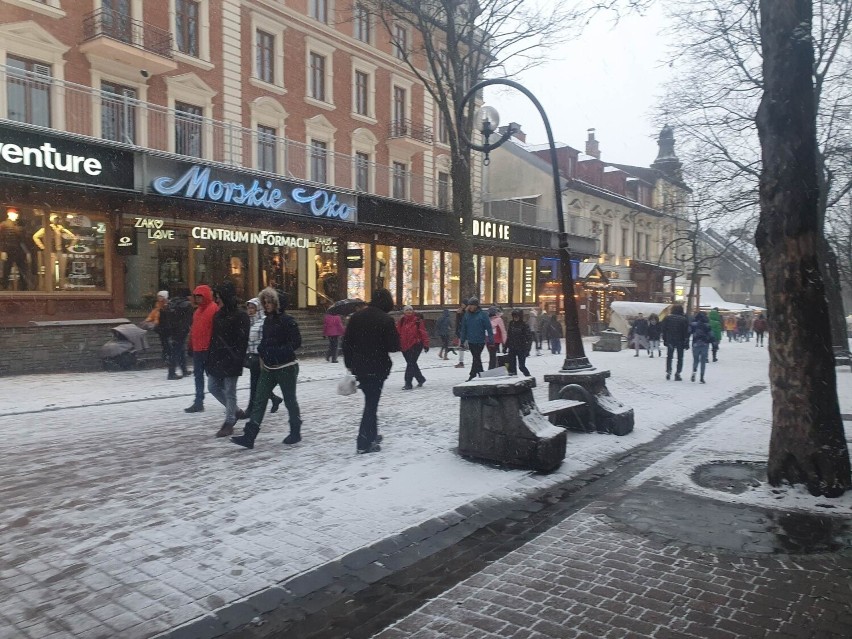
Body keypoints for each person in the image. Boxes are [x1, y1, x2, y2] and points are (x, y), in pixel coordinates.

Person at [231, 288, 303, 449]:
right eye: (265, 302)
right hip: (269, 367)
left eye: (270, 302)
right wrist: (263, 349)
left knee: (290, 400)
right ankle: (250, 435)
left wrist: (278, 351)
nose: (267, 305)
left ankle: (295, 430)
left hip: (286, 367)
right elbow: (265, 340)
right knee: (259, 399)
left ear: (277, 303)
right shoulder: (267, 321)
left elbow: (296, 342)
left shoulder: (288, 320)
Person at [341, 288, 400, 454]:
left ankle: (372, 434)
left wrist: (350, 364)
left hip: (360, 367)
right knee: (371, 405)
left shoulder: (356, 317)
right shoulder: (386, 319)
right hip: (377, 367)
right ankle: (364, 442)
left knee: (370, 401)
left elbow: (347, 343)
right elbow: (394, 346)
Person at [206, 282, 250, 438]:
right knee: (212, 387)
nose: (217, 300)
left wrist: (238, 358)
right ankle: (236, 411)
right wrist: (209, 358)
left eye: (218, 297)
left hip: (232, 358)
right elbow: (214, 338)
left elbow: (242, 341)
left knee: (230, 391)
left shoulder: (241, 316)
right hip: (217, 358)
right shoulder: (218, 315)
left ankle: (229, 422)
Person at [240, 297, 282, 420]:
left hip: (260, 358)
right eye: (248, 307)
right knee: (259, 384)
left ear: (258, 308)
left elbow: (265, 339)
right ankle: (275, 399)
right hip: (251, 357)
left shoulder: (264, 321)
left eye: (252, 307)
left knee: (255, 385)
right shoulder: (249, 321)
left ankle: (251, 409)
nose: (250, 310)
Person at [185, 284, 219, 413]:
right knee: (198, 376)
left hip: (208, 349)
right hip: (198, 349)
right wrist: (191, 345)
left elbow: (215, 330)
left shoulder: (213, 308)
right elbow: (194, 330)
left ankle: (228, 400)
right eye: (196, 297)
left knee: (214, 378)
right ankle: (199, 401)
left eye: (200, 296)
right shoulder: (197, 311)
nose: (198, 299)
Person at [159, 287, 193, 380]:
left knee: (179, 350)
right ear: (187, 295)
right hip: (181, 331)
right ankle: (171, 373)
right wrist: (187, 329)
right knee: (176, 351)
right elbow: (188, 320)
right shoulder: (187, 305)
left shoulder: (172, 302)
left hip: (172, 330)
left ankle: (184, 370)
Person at [459, 297, 493, 381]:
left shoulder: (483, 315)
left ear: (476, 306)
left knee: (476, 357)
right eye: (469, 305)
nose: (470, 307)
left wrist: (491, 340)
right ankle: (481, 373)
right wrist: (462, 341)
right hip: (471, 341)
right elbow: (464, 328)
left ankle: (472, 374)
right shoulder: (467, 315)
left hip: (480, 341)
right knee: (476, 358)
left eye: (472, 305)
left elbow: (489, 328)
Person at [397, 304, 430, 389]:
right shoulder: (401, 321)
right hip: (404, 346)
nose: (409, 311)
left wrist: (426, 344)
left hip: (416, 344)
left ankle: (408, 383)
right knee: (412, 364)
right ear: (404, 312)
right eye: (407, 310)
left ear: (413, 311)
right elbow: (397, 332)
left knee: (410, 364)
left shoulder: (417, 321)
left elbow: (423, 332)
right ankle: (420, 379)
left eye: (410, 310)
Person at [661, 304, 689, 381]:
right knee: (680, 358)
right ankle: (678, 373)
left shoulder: (667, 318)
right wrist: (686, 342)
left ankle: (668, 371)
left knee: (669, 356)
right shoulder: (684, 319)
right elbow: (686, 332)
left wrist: (665, 339)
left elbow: (664, 330)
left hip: (670, 339)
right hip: (680, 340)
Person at [143, 290, 170, 365]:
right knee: (164, 343)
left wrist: (155, 322)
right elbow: (152, 315)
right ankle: (166, 357)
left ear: (165, 297)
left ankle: (167, 357)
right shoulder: (158, 307)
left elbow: (163, 318)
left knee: (166, 343)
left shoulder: (167, 306)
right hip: (160, 328)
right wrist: (147, 321)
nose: (159, 298)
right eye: (158, 296)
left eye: (161, 296)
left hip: (165, 328)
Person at [689, 311, 715, 383]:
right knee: (703, 361)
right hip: (705, 344)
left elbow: (689, 332)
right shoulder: (707, 325)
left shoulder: (694, 324)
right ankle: (702, 377)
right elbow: (711, 335)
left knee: (695, 360)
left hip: (695, 344)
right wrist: (713, 342)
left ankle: (694, 371)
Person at [505, 309, 533, 376]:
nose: (515, 318)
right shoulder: (511, 324)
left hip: (521, 348)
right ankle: (513, 378)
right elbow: (509, 336)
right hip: (512, 347)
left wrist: (527, 349)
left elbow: (529, 338)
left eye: (517, 316)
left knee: (521, 366)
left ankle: (528, 376)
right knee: (511, 366)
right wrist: (505, 346)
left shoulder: (524, 325)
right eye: (514, 316)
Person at [454, 304, 466, 368]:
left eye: (463, 305)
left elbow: (463, 323)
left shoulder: (466, 313)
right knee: (461, 347)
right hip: (461, 333)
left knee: (463, 347)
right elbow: (457, 323)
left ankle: (461, 363)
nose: (461, 306)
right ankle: (461, 362)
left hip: (465, 333)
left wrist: (460, 314)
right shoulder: (460, 314)